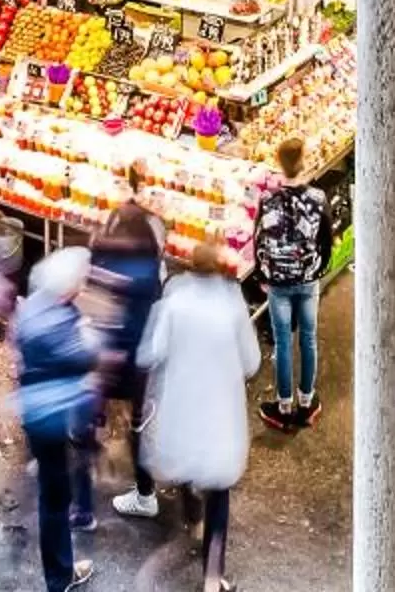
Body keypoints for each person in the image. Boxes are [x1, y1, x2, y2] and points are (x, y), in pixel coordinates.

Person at [132, 247, 260, 592]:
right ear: (219, 271)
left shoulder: (174, 304)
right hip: (219, 413)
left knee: (189, 467)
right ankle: (212, 579)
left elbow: (150, 354)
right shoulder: (232, 305)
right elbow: (251, 362)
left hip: (183, 407)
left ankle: (193, 516)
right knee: (219, 492)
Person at [12, 245, 102, 591]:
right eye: (80, 279)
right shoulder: (61, 323)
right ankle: (60, 577)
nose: (83, 285)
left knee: (53, 495)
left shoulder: (34, 306)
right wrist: (88, 331)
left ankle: (61, 569)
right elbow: (87, 355)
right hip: (53, 422)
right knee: (54, 498)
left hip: (34, 413)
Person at [91, 174, 168, 516]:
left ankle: (90, 462)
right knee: (138, 420)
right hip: (141, 354)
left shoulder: (109, 265)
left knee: (99, 402)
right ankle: (145, 490)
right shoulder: (151, 270)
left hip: (113, 350)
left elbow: (94, 306)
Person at [252, 138, 331, 431]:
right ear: (304, 161)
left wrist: (264, 276)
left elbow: (258, 240)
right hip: (308, 279)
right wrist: (317, 269)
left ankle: (283, 407)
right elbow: (326, 240)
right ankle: (307, 403)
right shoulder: (318, 198)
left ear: (278, 163)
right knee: (308, 338)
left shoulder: (266, 200)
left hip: (278, 283)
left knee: (283, 342)